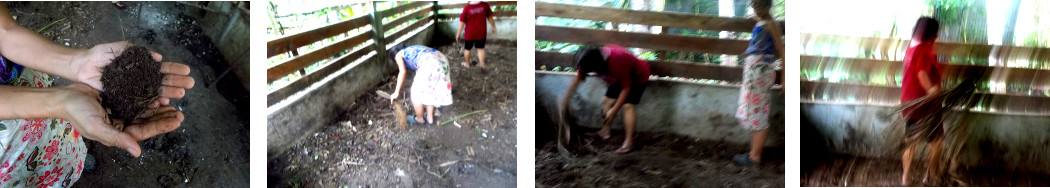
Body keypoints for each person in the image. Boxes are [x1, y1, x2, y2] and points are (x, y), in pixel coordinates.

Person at [0, 4, 195, 187]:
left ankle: (69, 160)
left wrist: (76, 63)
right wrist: (59, 102)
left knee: (62, 139)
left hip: (22, 83)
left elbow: (5, 32)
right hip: (6, 145)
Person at [558, 44, 650, 154]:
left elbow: (626, 88)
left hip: (638, 76)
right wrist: (565, 98)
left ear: (597, 64)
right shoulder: (588, 59)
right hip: (619, 78)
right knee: (607, 100)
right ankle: (605, 131)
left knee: (628, 106)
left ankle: (628, 143)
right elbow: (578, 78)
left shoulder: (617, 60)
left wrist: (614, 110)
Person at [731, 0, 785, 166]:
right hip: (755, 72)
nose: (757, 9)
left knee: (759, 113)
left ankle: (755, 156)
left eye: (761, 5)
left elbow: (782, 49)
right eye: (755, 5)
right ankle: (753, 153)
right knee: (755, 112)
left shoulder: (771, 23)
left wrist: (785, 77)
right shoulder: (762, 21)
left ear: (770, 5)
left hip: (760, 72)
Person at [900, 17, 942, 186]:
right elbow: (922, 73)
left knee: (911, 142)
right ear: (931, 34)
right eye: (936, 33)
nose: (937, 36)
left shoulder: (911, 48)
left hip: (910, 103)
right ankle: (931, 177)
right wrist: (932, 90)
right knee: (937, 140)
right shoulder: (924, 50)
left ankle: (906, 178)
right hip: (926, 104)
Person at [388, 45, 453, 125]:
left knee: (416, 94)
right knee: (430, 90)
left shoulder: (398, 55)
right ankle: (430, 118)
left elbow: (402, 71)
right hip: (442, 60)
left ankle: (420, 119)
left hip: (430, 64)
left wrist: (396, 92)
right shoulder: (412, 49)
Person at [455, 1, 496, 68]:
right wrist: (493, 27)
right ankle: (482, 64)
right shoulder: (485, 5)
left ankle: (467, 64)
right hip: (481, 32)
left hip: (470, 33)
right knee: (480, 48)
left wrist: (458, 33)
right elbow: (490, 17)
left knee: (467, 49)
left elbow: (462, 22)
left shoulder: (467, 8)